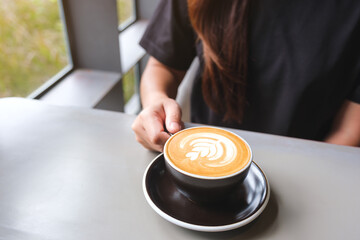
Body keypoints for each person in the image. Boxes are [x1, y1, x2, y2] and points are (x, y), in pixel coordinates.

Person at [132, 0, 360, 152]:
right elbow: (163, 67)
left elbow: (348, 132)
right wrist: (155, 103)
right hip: (203, 156)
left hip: (309, 173)